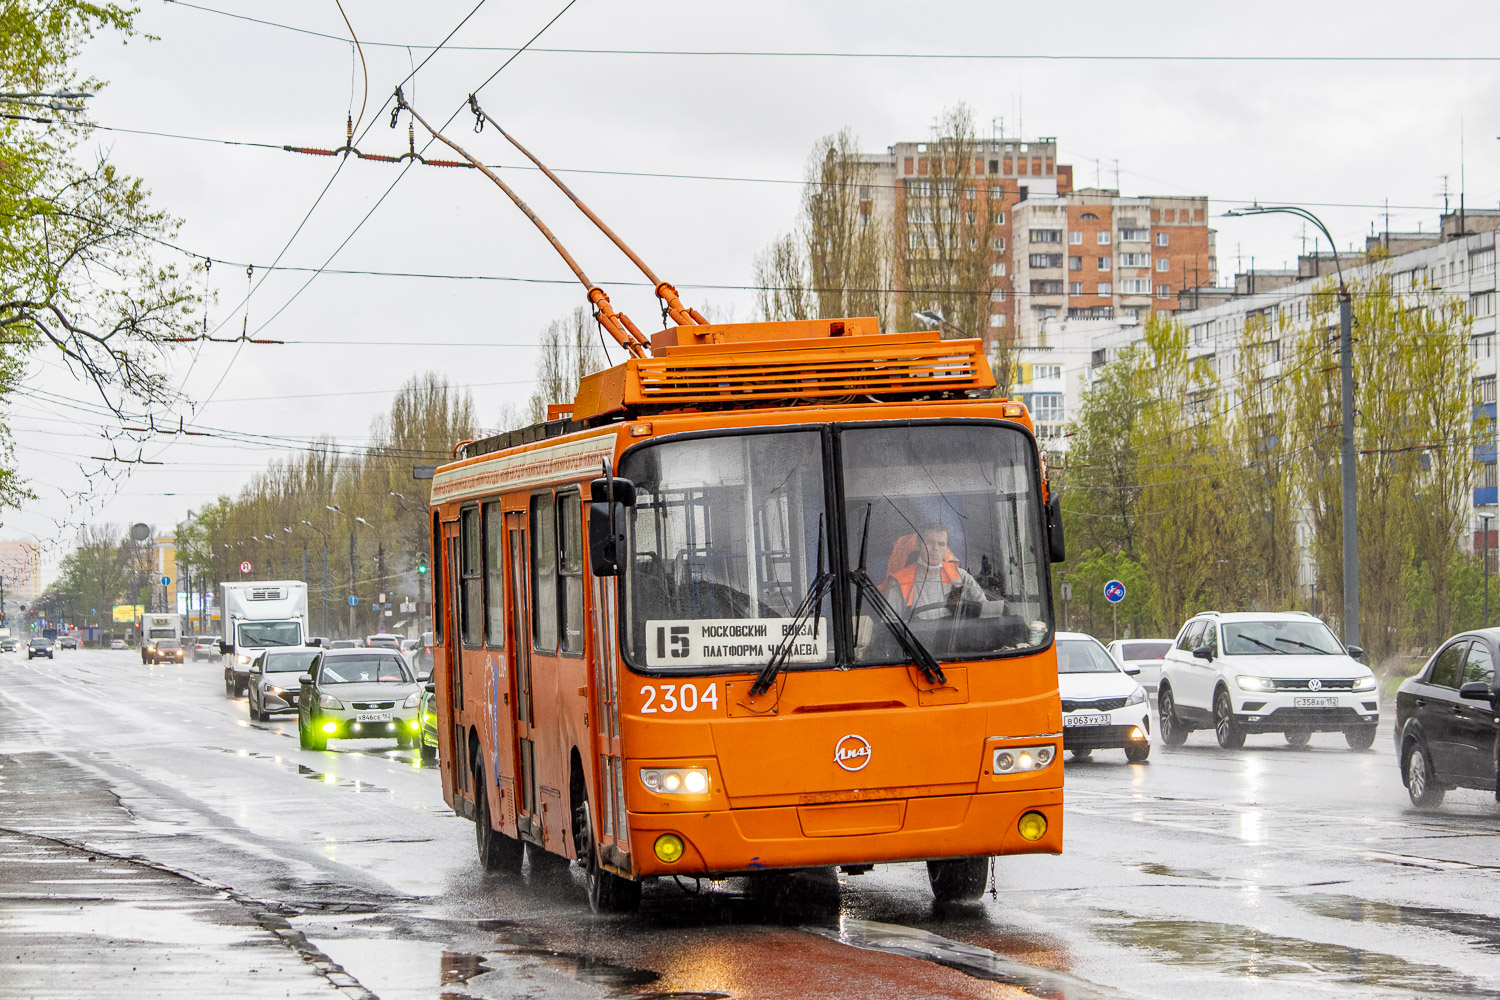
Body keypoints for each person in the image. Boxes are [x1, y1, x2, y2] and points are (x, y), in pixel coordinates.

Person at [883, 522, 992, 620]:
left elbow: (987, 613)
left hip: (954, 640)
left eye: (941, 544)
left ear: (946, 548)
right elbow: (889, 626)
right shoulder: (900, 581)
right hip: (913, 641)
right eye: (930, 542)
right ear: (919, 545)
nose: (935, 548)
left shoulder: (960, 576)